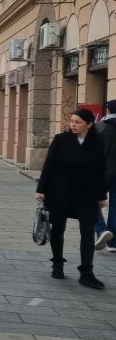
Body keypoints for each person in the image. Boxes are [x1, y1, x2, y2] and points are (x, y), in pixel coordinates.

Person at [36, 109, 107, 288]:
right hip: (60, 191)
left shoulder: (97, 143)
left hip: (87, 194)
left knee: (88, 232)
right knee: (58, 228)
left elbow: (100, 171)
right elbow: (49, 165)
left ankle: (87, 272)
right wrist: (41, 189)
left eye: (78, 122)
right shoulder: (61, 140)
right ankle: (58, 264)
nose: (73, 125)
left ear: (89, 125)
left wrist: (102, 195)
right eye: (72, 121)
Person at [94, 100, 116, 252]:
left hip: (101, 172)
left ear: (107, 110)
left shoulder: (99, 127)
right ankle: (113, 243)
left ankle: (101, 230)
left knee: (89, 201)